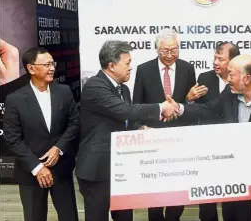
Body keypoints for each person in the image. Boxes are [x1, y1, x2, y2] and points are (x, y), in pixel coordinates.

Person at [171, 54, 251, 221]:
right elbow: (208, 110)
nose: (227, 78)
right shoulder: (228, 94)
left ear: (246, 78)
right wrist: (179, 108)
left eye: (231, 74)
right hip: (236, 174)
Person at [75, 40, 177, 221]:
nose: (131, 67)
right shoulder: (95, 86)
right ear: (112, 66)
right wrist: (161, 107)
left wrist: (141, 128)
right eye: (127, 63)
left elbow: (125, 120)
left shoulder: (123, 89)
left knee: (125, 217)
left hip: (120, 169)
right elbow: (125, 111)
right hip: (97, 169)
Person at [3, 47, 79, 221]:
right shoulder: (15, 99)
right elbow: (12, 138)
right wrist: (37, 168)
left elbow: (74, 123)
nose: (52, 68)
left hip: (62, 170)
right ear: (31, 68)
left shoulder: (64, 92)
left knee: (69, 216)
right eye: (46, 64)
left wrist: (58, 148)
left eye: (53, 63)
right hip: (31, 173)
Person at [133, 28, 201, 221]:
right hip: (153, 136)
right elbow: (137, 105)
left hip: (179, 137)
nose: (170, 55)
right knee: (155, 188)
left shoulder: (188, 68)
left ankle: (173, 217)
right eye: (165, 51)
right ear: (156, 49)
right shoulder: (143, 70)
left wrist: (187, 101)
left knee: (178, 187)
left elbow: (189, 105)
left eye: (174, 50)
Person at [189, 42, 240, 221]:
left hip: (233, 145)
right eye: (214, 58)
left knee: (231, 196)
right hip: (208, 144)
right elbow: (200, 110)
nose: (215, 62)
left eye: (220, 59)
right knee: (207, 198)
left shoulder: (242, 78)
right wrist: (189, 100)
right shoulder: (205, 78)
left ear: (233, 61)